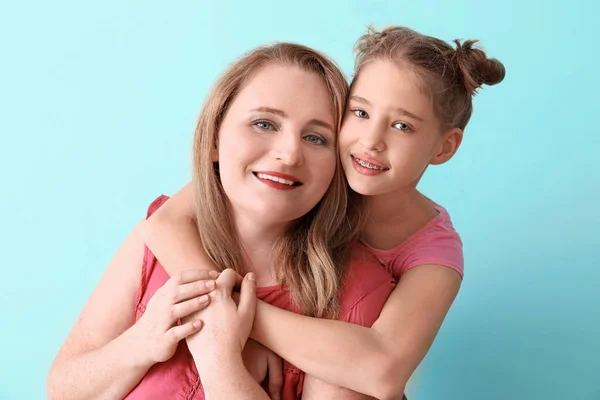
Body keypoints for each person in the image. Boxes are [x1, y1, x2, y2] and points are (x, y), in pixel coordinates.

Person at [143, 26, 506, 399]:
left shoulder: (434, 252)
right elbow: (165, 223)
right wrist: (227, 326)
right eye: (361, 112)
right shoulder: (310, 167)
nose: (371, 141)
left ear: (445, 147)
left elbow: (383, 372)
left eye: (402, 126)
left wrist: (243, 321)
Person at [46, 42, 396, 400]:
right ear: (214, 138)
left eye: (315, 137)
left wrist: (220, 359)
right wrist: (142, 342)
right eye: (264, 123)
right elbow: (62, 390)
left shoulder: (357, 292)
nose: (289, 153)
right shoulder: (156, 238)